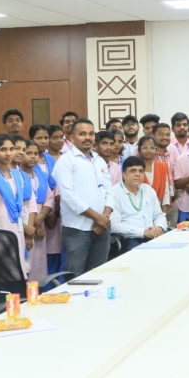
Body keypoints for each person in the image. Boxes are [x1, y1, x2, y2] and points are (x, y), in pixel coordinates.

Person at [54, 118, 113, 275]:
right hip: (77, 229)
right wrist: (97, 217)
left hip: (102, 228)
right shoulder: (65, 161)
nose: (88, 137)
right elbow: (68, 196)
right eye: (82, 134)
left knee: (99, 274)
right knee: (75, 276)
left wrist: (105, 217)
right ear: (72, 137)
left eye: (91, 134)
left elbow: (109, 192)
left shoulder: (100, 161)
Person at [0, 134, 34, 277]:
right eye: (3, 149)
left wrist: (26, 229)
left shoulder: (17, 175)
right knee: (3, 270)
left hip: (17, 228)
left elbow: (21, 206)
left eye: (11, 149)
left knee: (18, 269)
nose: (9, 153)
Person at [107, 156, 168, 253]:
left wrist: (159, 227)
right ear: (124, 174)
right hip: (131, 239)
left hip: (154, 235)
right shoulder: (114, 193)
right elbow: (113, 225)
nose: (137, 174)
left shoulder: (148, 189)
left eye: (141, 171)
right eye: (133, 171)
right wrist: (143, 232)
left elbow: (159, 215)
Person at [19, 139, 51, 284]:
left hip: (40, 221)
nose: (33, 156)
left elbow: (49, 198)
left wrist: (41, 217)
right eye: (28, 153)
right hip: (25, 223)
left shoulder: (41, 175)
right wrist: (34, 225)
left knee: (39, 264)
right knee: (25, 262)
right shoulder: (17, 175)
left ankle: (37, 292)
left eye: (36, 153)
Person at [41, 124, 66, 275]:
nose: (59, 140)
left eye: (61, 137)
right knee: (49, 252)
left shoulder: (67, 158)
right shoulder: (41, 160)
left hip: (62, 210)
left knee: (61, 250)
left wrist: (57, 212)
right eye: (54, 137)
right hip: (46, 210)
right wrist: (51, 212)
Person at [136, 135, 173, 227]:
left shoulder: (162, 167)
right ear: (139, 150)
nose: (148, 150)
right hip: (138, 213)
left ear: (156, 150)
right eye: (145, 147)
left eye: (152, 148)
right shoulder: (134, 168)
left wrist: (163, 216)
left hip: (158, 212)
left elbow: (166, 194)